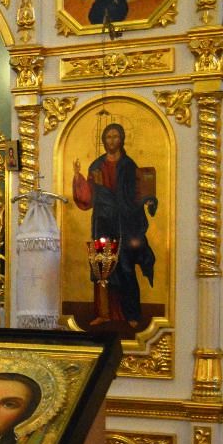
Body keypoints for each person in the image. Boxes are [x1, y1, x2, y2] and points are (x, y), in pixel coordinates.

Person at [72, 122, 157, 328]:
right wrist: (78, 179)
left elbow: (137, 191)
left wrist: (147, 200)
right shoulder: (96, 166)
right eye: (108, 137)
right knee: (102, 267)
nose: (112, 141)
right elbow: (88, 198)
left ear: (122, 139)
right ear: (104, 140)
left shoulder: (128, 165)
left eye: (115, 136)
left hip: (124, 224)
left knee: (126, 267)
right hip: (102, 222)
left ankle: (132, 314)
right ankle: (104, 313)